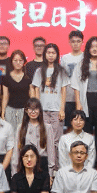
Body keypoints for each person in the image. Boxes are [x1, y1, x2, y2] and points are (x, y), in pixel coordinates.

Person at [31, 43, 68, 177]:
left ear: (57, 55)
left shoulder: (62, 71)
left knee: (56, 141)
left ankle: (56, 170)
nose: (51, 55)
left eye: (53, 53)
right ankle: (41, 168)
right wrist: (36, 109)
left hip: (56, 110)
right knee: (42, 139)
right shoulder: (39, 71)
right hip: (43, 110)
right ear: (45, 54)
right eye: (48, 53)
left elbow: (63, 91)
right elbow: (36, 90)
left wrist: (62, 109)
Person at [70, 36, 97, 141]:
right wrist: (78, 103)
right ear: (88, 49)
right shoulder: (81, 64)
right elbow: (76, 85)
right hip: (86, 98)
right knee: (86, 128)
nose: (94, 49)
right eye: (92, 47)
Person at [11, 98, 48, 175]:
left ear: (40, 110)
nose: (33, 112)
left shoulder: (47, 127)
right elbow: (16, 152)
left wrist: (50, 175)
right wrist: (14, 173)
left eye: (36, 109)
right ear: (26, 110)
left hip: (42, 163)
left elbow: (51, 153)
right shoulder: (21, 127)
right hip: (26, 163)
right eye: (30, 109)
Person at [1, 50, 33, 131]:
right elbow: (5, 96)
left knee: (23, 134)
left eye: (20, 60)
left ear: (24, 61)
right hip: (10, 110)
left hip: (24, 111)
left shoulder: (28, 77)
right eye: (15, 60)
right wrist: (3, 112)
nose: (18, 63)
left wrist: (32, 110)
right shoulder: (6, 77)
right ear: (11, 62)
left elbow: (32, 96)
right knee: (10, 134)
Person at [62, 30, 86, 121]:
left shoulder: (86, 57)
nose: (76, 44)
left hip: (83, 96)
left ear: (82, 42)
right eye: (73, 41)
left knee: (82, 122)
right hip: (68, 96)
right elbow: (62, 78)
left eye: (78, 41)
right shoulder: (65, 58)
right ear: (69, 43)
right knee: (69, 123)